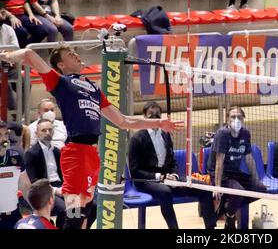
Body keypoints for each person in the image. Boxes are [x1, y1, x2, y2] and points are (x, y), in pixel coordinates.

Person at [0, 45, 184, 229]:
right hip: (75, 155)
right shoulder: (60, 82)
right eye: (70, 54)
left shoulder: (93, 89)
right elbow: (28, 54)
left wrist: (159, 123)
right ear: (61, 65)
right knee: (74, 212)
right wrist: (7, 56)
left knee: (87, 209)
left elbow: (123, 121)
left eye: (75, 52)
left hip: (91, 155)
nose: (76, 55)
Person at [129, 102, 216, 229]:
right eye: (151, 115)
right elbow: (135, 171)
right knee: (165, 192)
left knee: (203, 188)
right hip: (146, 180)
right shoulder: (137, 139)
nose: (155, 117)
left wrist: (174, 175)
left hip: (168, 179)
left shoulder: (166, 134)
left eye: (158, 114)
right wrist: (161, 177)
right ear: (144, 116)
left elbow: (172, 160)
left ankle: (211, 228)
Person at [207, 106, 267, 229]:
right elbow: (219, 161)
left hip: (235, 172)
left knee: (260, 189)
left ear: (243, 119)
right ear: (227, 119)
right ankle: (230, 215)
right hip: (220, 174)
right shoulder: (222, 134)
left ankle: (227, 210)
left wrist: (256, 180)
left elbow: (249, 158)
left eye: (239, 117)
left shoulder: (245, 133)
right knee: (238, 192)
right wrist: (217, 186)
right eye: (233, 117)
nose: (236, 119)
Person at [25, 119, 65, 228]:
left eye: (50, 130)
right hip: (45, 190)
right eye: (44, 130)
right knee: (65, 209)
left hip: (61, 187)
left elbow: (65, 175)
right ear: (36, 133)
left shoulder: (58, 151)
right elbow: (35, 182)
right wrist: (56, 191)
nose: (47, 133)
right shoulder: (31, 153)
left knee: (86, 207)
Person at [0, 120, 32, 229]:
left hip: (14, 216)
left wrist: (37, 209)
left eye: (5, 134)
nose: (4, 139)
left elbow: (25, 186)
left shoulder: (16, 157)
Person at [0, 1, 21, 112]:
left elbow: (15, 50)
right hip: (2, 68)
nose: (2, 16)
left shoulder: (8, 29)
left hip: (8, 67)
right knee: (5, 86)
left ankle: (20, 113)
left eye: (3, 13)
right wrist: (5, 53)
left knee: (23, 81)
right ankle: (14, 117)